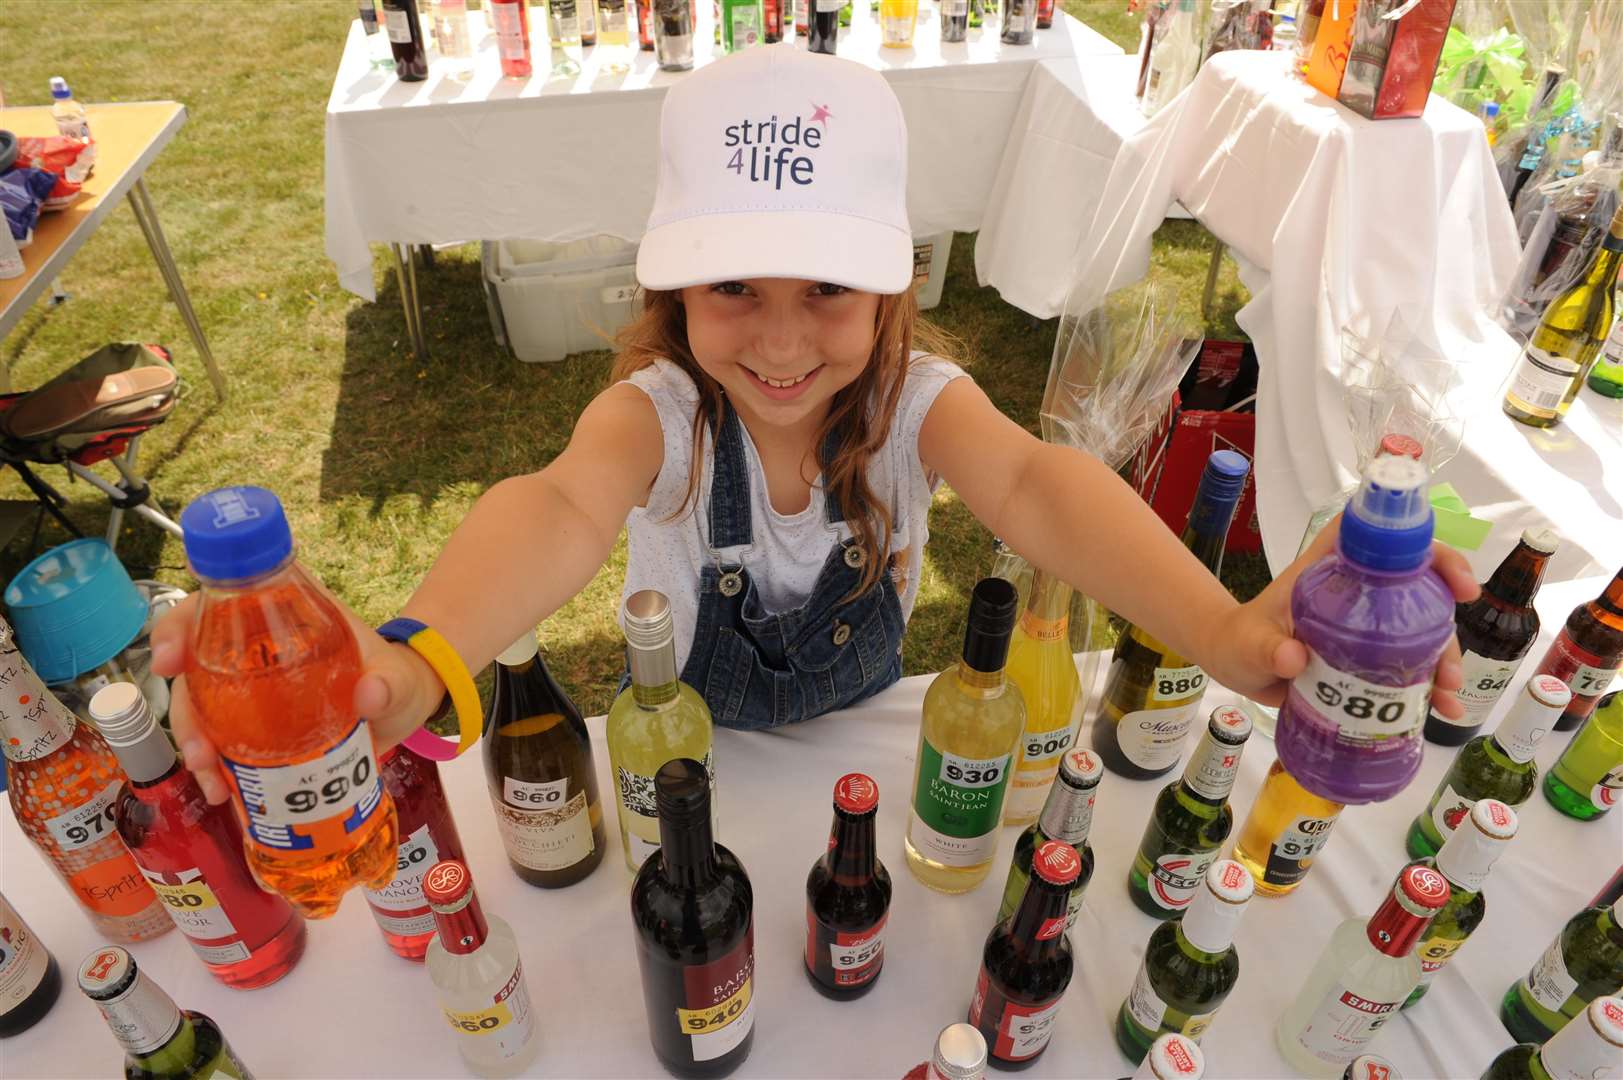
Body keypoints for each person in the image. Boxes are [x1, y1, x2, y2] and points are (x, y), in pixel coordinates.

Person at [151, 44, 1476, 802]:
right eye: (735, 289)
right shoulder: (659, 416)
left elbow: (1035, 486)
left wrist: (1225, 631)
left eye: (826, 292)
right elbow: (554, 508)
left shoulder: (917, 408)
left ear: (888, 285)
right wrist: (407, 662)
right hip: (701, 748)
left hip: (867, 739)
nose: (781, 343)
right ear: (674, 288)